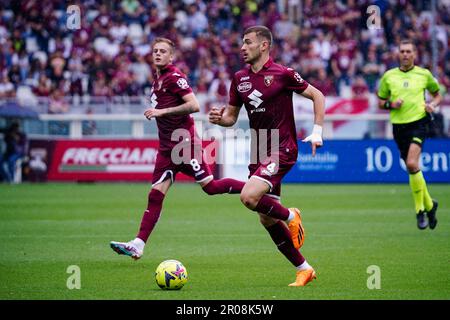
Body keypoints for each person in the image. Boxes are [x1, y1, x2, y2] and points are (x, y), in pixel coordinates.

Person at [209, 26, 325, 287]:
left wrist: (317, 131)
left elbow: (317, 95)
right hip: (258, 148)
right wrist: (220, 119)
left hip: (282, 147)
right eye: (241, 42)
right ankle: (304, 269)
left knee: (249, 197)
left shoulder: (283, 74)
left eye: (247, 42)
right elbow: (231, 117)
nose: (242, 47)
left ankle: (291, 215)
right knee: (265, 217)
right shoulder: (239, 78)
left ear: (264, 46)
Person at [110, 38, 245, 259]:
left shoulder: (174, 76)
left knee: (210, 187)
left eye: (163, 51)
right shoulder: (158, 80)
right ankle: (138, 244)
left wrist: (162, 112)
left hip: (184, 145)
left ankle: (254, 189)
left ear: (171, 56)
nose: (158, 54)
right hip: (166, 148)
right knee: (155, 195)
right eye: (155, 51)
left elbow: (194, 105)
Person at [377, 39, 442, 230]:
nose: (405, 54)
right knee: (412, 169)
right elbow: (380, 101)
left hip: (419, 123)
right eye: (402, 51)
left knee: (413, 164)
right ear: (398, 54)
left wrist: (433, 105)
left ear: (415, 54)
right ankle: (431, 205)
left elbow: (437, 94)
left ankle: (420, 211)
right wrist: (391, 104)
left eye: (408, 51)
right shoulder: (389, 76)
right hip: (399, 127)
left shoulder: (424, 74)